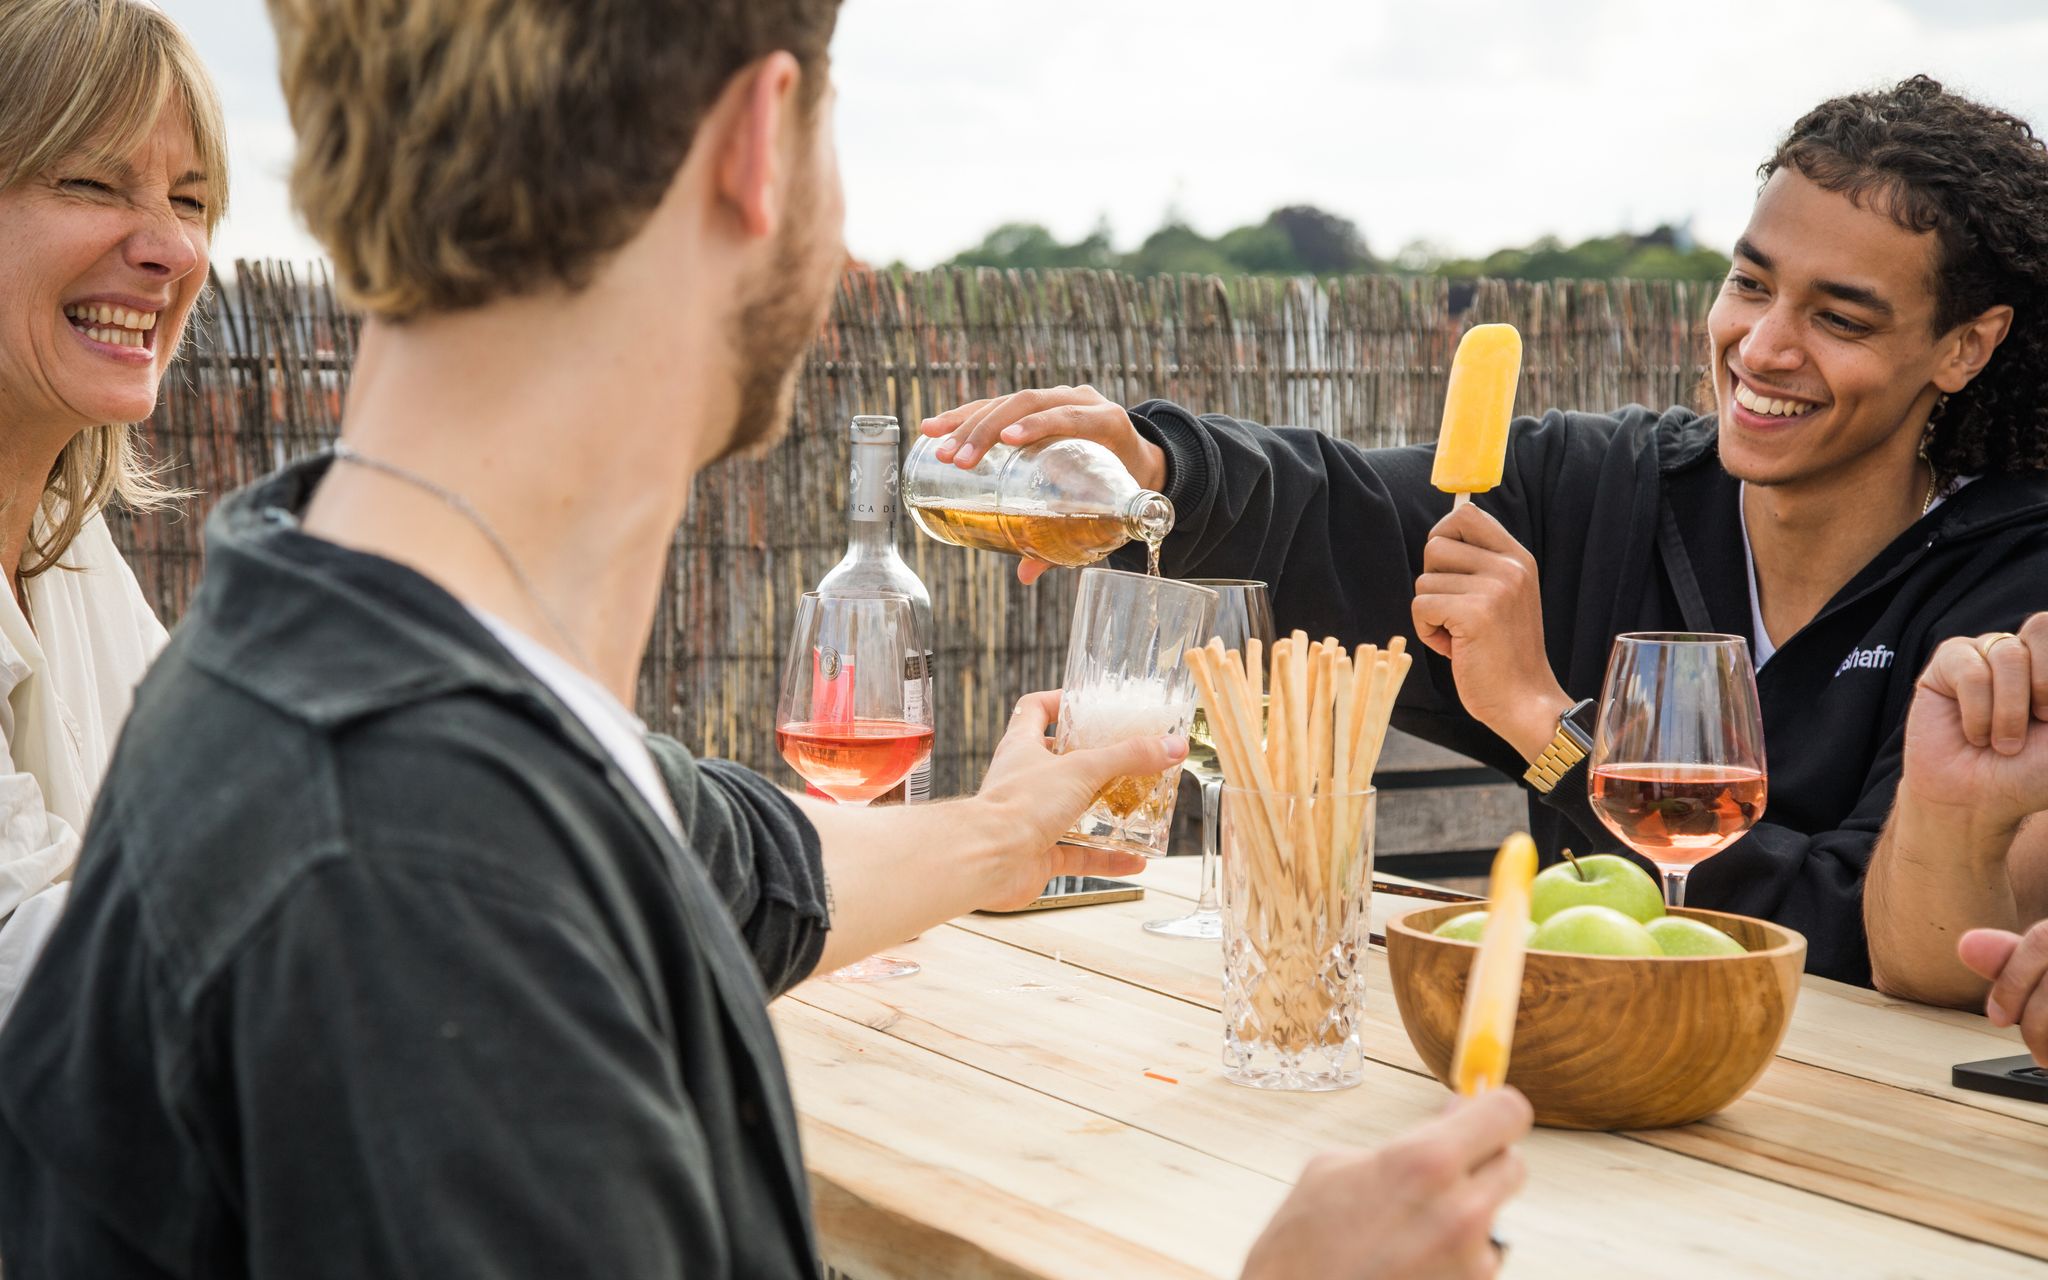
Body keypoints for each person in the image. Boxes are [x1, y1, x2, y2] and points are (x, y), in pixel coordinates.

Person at [0, 1, 1529, 1276]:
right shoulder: (412, 881)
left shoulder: (350, 658)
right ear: (757, 138)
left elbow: (724, 864)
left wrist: (1009, 831)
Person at [920, 76, 2048, 994]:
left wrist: (1539, 718)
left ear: (1962, 346)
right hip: (1572, 1076)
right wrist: (1160, 466)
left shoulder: (2009, 583)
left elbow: (1852, 932)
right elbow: (1336, 509)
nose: (1761, 347)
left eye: (1836, 316)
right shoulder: (1605, 485)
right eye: (1749, 285)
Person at [0, 0, 224, 1025]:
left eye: (192, 199)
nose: (173, 249)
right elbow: (44, 977)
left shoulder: (73, 555)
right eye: (91, 182)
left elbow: (213, 800)